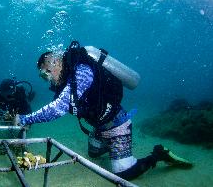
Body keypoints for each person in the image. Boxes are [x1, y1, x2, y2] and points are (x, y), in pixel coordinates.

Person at [14, 41, 192, 180]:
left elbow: (58, 108)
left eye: (45, 74)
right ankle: (109, 145)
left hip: (117, 124)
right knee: (94, 154)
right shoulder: (67, 82)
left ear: (55, 62)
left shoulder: (81, 71)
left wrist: (24, 119)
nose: (46, 80)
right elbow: (64, 103)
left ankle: (159, 154)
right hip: (99, 127)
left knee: (123, 174)